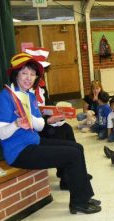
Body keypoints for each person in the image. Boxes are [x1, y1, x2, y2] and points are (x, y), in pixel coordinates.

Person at [0, 52, 101, 214]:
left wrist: (38, 118)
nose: (28, 78)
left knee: (77, 147)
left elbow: (38, 126)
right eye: (24, 73)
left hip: (34, 142)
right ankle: (78, 203)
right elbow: (1, 133)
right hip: (19, 152)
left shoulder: (28, 96)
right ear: (15, 74)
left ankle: (83, 195)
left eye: (32, 74)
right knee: (72, 155)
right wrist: (17, 123)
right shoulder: (4, 98)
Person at [26, 47, 77, 189]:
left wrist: (59, 115)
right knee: (60, 136)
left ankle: (70, 171)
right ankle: (66, 178)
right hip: (34, 128)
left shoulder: (41, 87)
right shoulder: (25, 90)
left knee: (66, 129)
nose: (40, 75)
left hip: (46, 123)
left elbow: (48, 106)